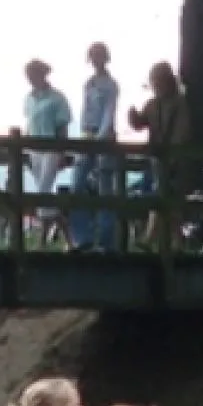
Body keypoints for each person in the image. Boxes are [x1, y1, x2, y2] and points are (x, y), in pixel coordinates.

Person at [127, 62, 191, 249]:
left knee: (164, 196)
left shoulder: (179, 104)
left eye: (158, 81)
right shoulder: (152, 104)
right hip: (155, 159)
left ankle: (150, 237)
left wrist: (173, 156)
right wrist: (133, 118)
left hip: (173, 161)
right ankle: (175, 240)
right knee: (162, 198)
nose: (155, 85)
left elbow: (182, 132)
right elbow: (141, 124)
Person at [68, 42, 122, 252]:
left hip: (103, 137)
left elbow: (109, 112)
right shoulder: (88, 83)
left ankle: (106, 242)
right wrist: (84, 135)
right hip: (87, 134)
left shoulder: (111, 85)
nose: (95, 61)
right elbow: (85, 111)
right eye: (93, 57)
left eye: (99, 56)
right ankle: (82, 239)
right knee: (77, 186)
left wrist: (99, 138)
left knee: (105, 189)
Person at [23, 59, 73, 201]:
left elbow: (62, 126)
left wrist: (63, 151)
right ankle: (56, 220)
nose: (30, 78)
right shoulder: (28, 99)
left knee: (43, 189)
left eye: (33, 74)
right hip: (34, 149)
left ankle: (47, 222)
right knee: (42, 188)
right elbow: (29, 122)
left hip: (52, 148)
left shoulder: (57, 98)